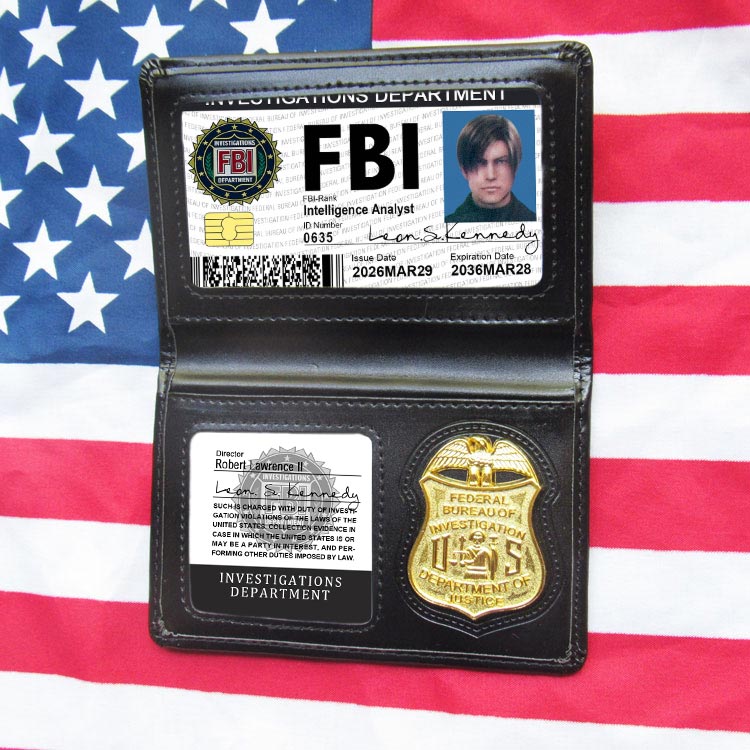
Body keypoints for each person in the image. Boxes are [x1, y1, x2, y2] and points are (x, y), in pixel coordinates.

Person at [446, 114, 536, 223]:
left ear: (515, 166)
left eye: (500, 161)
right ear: (464, 170)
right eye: (480, 162)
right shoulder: (446, 225)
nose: (491, 175)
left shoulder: (538, 223)